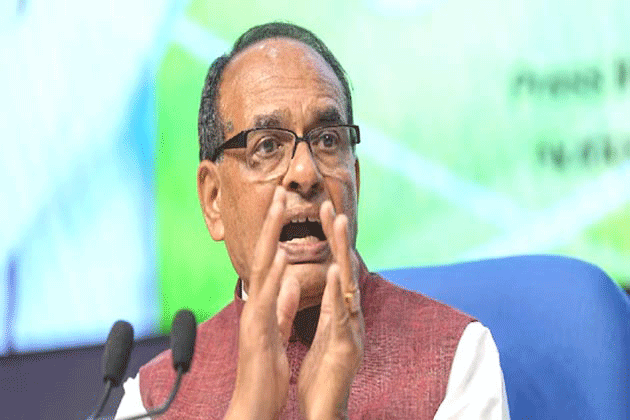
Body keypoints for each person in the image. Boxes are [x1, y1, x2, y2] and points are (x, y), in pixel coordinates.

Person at [115, 22, 510, 420]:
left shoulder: (455, 360)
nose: (305, 172)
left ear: (355, 181)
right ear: (214, 199)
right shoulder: (155, 397)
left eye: (327, 140)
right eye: (267, 145)